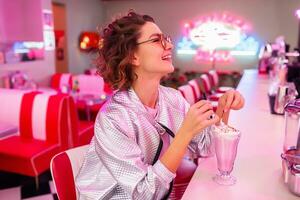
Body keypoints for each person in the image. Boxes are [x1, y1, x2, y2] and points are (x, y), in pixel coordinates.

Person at [75, 11, 244, 199]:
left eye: (167, 39)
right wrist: (185, 133)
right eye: (156, 40)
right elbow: (144, 194)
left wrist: (223, 108)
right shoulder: (113, 118)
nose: (170, 45)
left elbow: (208, 147)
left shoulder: (172, 99)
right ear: (133, 56)